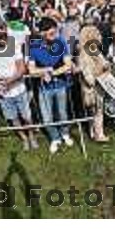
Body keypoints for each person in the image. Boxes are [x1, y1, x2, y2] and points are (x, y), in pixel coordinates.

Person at [0, 19, 38, 151]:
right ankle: (24, 139)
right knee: (12, 118)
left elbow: (22, 69)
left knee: (26, 116)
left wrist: (10, 81)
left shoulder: (14, 43)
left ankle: (31, 136)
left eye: (3, 36)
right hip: (2, 91)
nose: (0, 40)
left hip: (18, 88)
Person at [28, 17, 74, 154]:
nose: (55, 36)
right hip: (43, 88)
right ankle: (55, 138)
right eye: (51, 34)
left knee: (63, 113)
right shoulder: (34, 46)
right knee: (47, 118)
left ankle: (65, 133)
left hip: (60, 85)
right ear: (42, 33)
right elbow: (31, 70)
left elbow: (68, 64)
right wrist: (44, 71)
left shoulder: (61, 42)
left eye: (55, 33)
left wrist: (53, 73)